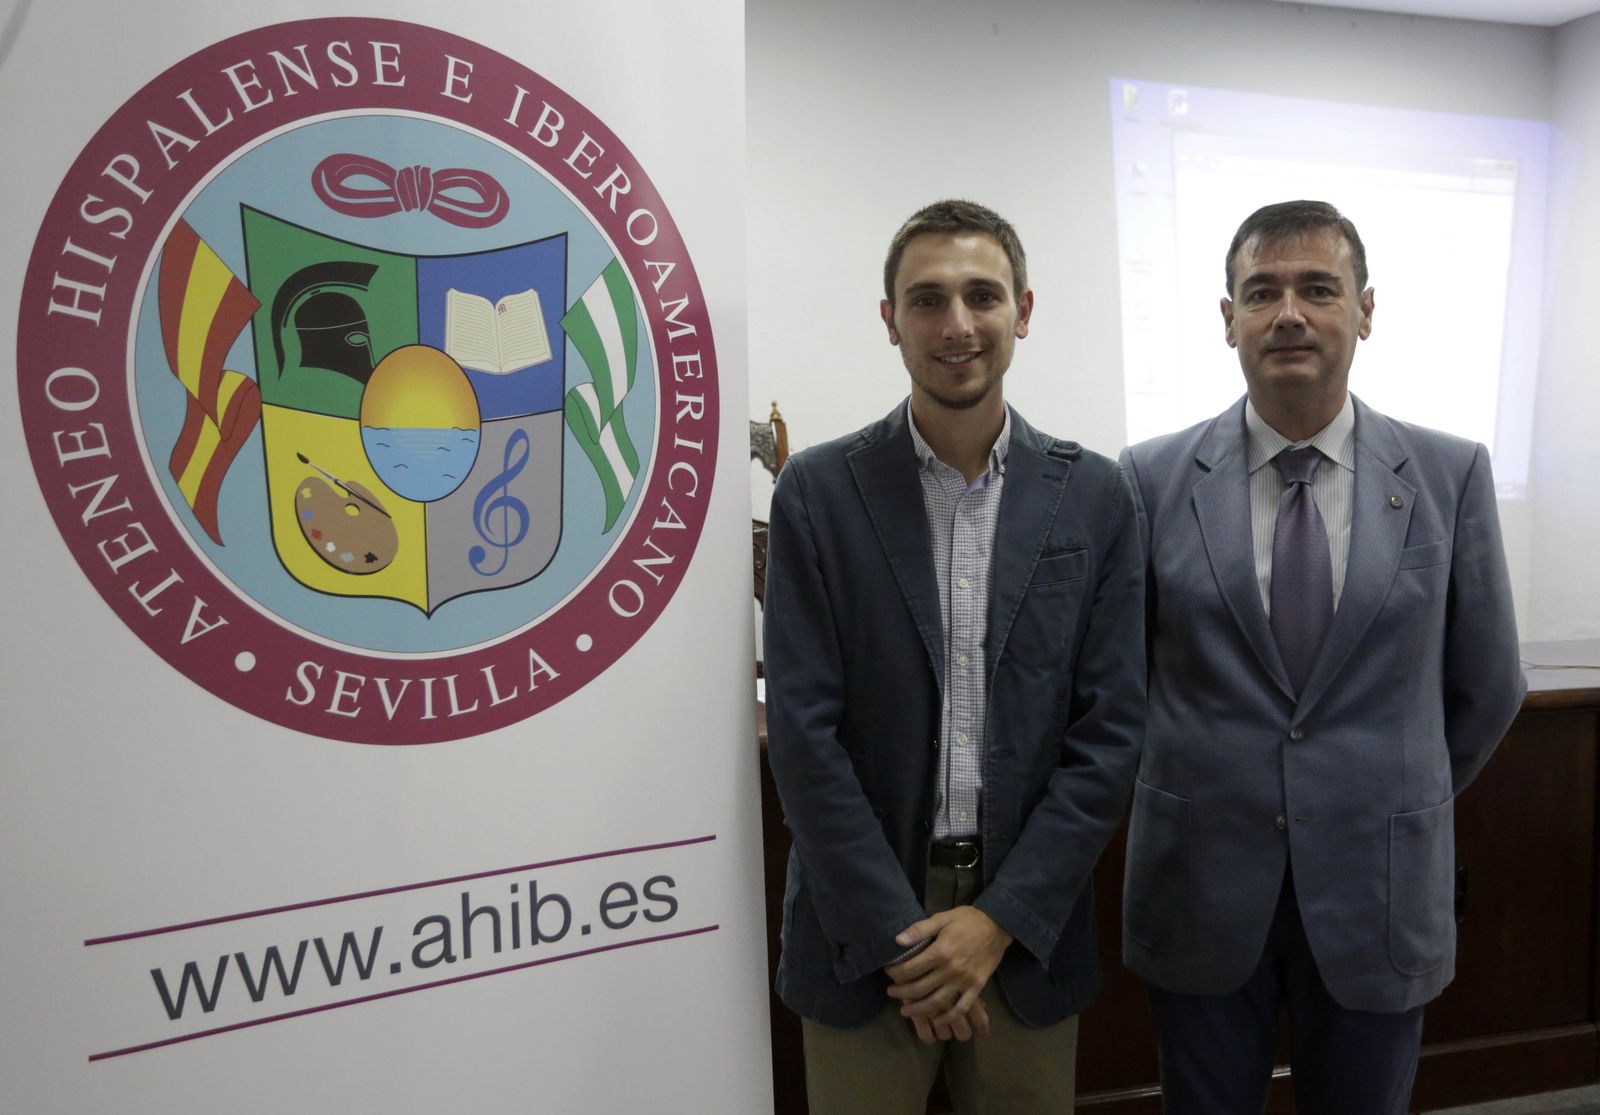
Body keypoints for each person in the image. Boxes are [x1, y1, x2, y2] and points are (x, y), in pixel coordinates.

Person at [1120, 199, 1526, 1114]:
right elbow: (1121, 686)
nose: (1289, 313)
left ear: (1365, 310)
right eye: (1262, 292)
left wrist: (1383, 787)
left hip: (1379, 884)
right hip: (1201, 883)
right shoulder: (1148, 479)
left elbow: (1489, 683)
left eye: (1318, 288)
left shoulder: (1450, 473)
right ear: (1228, 318)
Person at [761, 199, 1145, 1114]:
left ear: (1024, 310)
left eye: (983, 295)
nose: (957, 323)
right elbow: (805, 738)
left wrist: (998, 920)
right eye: (927, 299)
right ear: (889, 319)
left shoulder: (1095, 496)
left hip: (1027, 920)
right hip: (862, 926)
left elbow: (1111, 733)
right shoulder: (817, 493)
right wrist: (904, 939)